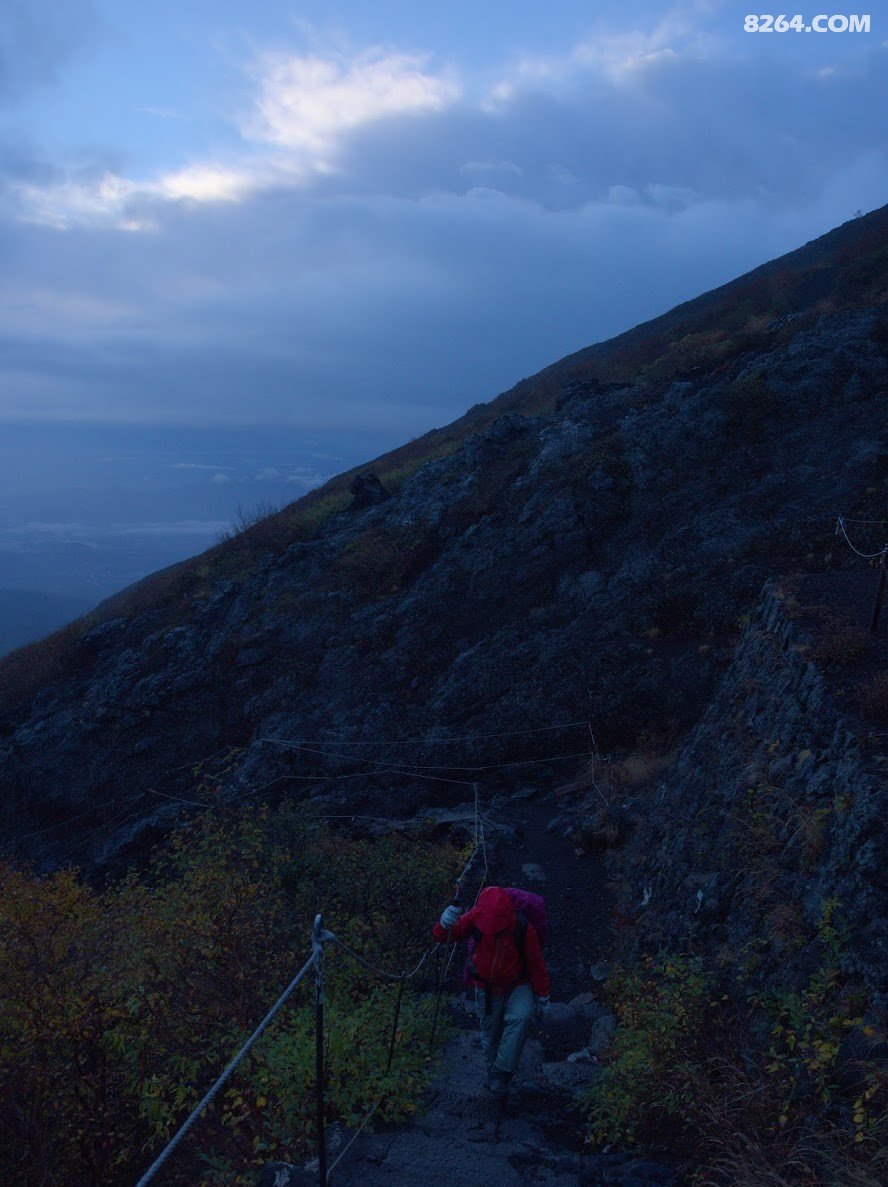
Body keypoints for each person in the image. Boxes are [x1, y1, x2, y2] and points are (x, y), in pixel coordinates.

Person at [433, 885, 550, 1100]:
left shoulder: (523, 926)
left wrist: (542, 996)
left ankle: (500, 1076)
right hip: (486, 985)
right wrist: (443, 923)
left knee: (520, 1017)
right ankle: (494, 1073)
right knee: (491, 1033)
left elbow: (536, 964)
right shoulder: (476, 916)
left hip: (518, 983)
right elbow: (443, 937)